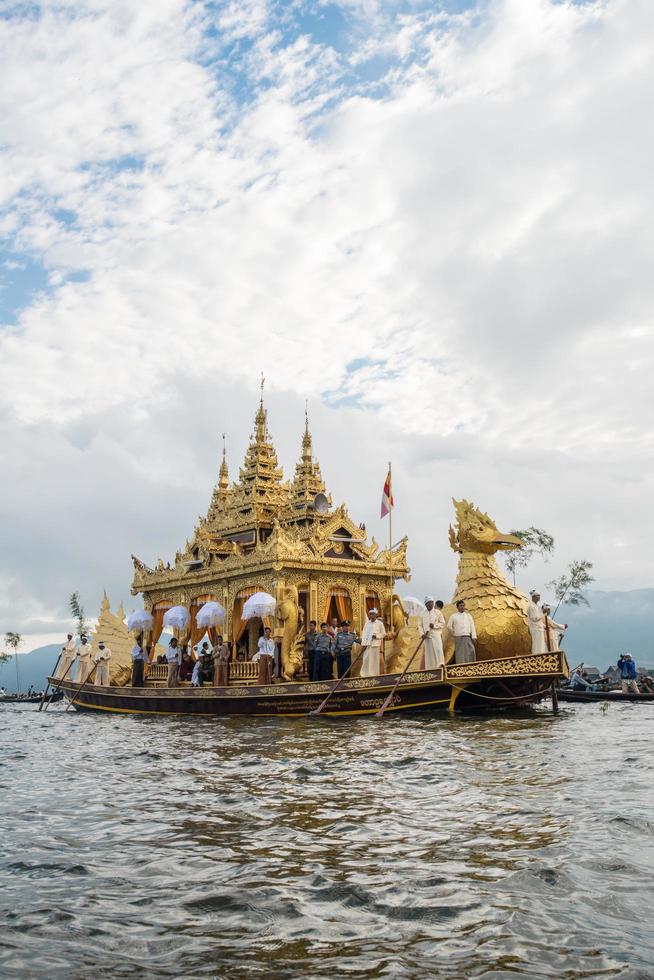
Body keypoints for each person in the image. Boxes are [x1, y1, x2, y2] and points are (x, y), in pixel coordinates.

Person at [446, 600, 477, 664]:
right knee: (460, 654)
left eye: (463, 605)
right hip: (458, 637)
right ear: (457, 607)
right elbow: (449, 626)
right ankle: (461, 668)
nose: (462, 607)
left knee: (471, 651)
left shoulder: (468, 616)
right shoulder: (453, 616)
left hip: (467, 637)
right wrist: (454, 633)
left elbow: (472, 626)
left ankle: (471, 666)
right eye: (461, 605)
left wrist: (474, 637)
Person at [420, 596, 446, 670]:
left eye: (432, 602)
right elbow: (420, 625)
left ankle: (441, 664)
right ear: (426, 604)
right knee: (429, 653)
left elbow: (443, 623)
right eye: (429, 603)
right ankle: (430, 669)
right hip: (427, 636)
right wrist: (422, 634)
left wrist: (434, 625)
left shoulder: (438, 613)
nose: (430, 604)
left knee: (438, 649)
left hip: (436, 634)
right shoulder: (422, 614)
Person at [360, 608, 386, 677]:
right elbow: (364, 634)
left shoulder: (380, 624)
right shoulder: (367, 623)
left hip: (375, 645)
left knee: (374, 661)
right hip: (367, 645)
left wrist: (376, 636)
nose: (371, 615)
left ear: (376, 614)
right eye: (370, 614)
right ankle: (364, 675)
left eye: (373, 614)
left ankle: (374, 675)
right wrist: (363, 644)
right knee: (366, 660)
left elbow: (383, 634)